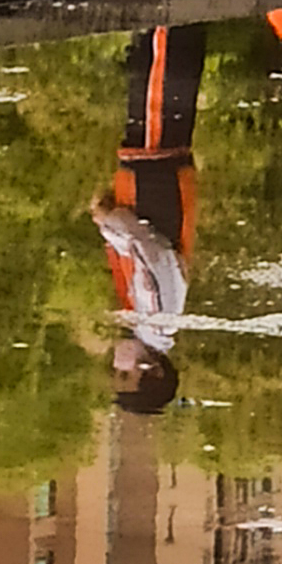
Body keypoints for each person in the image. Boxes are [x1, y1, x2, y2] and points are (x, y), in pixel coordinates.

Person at [93, 23, 206, 410]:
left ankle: (170, 17)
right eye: (126, 374)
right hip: (155, 173)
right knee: (158, 67)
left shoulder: (149, 321)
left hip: (153, 171)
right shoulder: (155, 318)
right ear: (153, 369)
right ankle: (167, 12)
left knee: (157, 73)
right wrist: (109, 219)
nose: (116, 365)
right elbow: (151, 251)